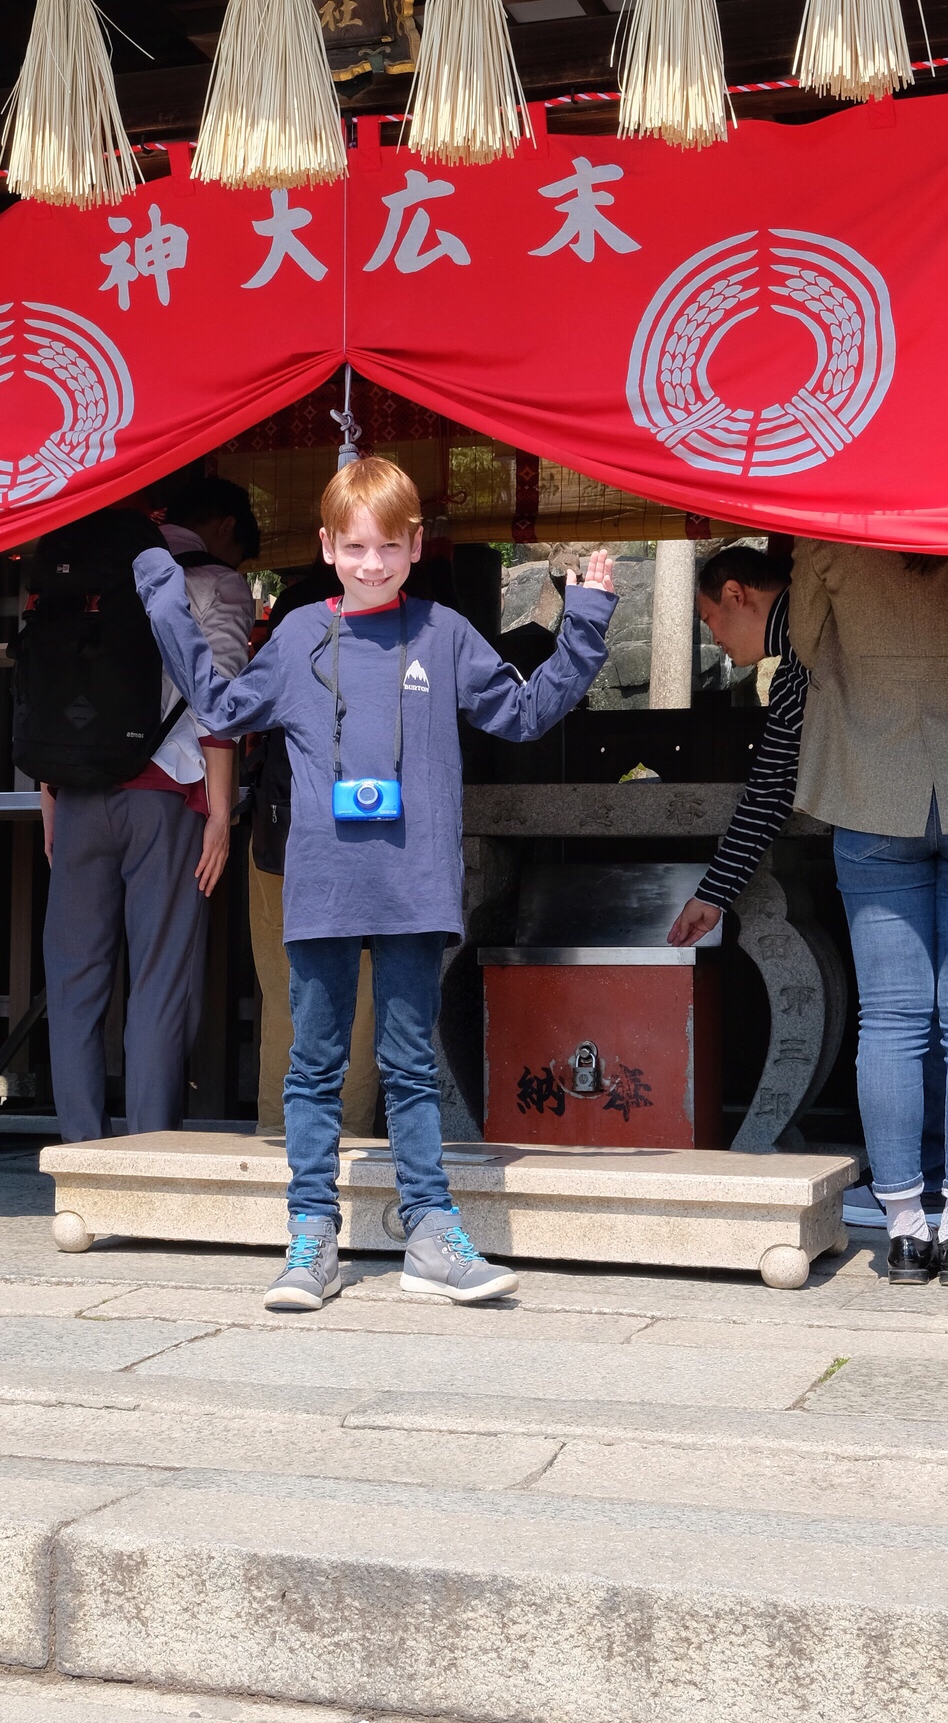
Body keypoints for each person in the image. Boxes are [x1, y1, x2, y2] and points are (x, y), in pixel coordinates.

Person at [135, 455, 616, 1312]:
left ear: (415, 545)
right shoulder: (293, 638)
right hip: (322, 883)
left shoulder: (444, 633)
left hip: (414, 885)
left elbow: (526, 712)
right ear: (325, 546)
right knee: (314, 1066)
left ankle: (431, 1232)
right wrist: (164, 594)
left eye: (388, 547)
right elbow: (219, 705)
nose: (371, 563)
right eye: (354, 547)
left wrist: (585, 623)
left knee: (409, 1068)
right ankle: (311, 1236)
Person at [787, 542, 948, 1287]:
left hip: (873, 781)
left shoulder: (826, 536)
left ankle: (901, 1232)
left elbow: (801, 641)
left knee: (890, 1019)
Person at [36, 476, 258, 1138]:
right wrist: (221, 808)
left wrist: (48, 796)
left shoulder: (77, 569)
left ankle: (79, 1159)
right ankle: (145, 1160)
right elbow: (218, 692)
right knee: (160, 985)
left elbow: (45, 688)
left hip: (74, 797)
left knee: (74, 987)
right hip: (168, 794)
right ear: (218, 526)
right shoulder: (217, 582)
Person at [243, 557, 379, 1139]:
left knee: (285, 1000)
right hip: (370, 847)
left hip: (281, 841)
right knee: (364, 1003)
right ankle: (346, 1144)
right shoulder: (396, 629)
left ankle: (279, 1141)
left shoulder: (292, 623)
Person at [667, 543, 806, 947]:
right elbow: (772, 788)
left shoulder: (807, 654)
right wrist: (714, 893)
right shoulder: (793, 666)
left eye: (709, 619)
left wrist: (712, 894)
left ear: (735, 594)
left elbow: (770, 788)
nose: (713, 638)